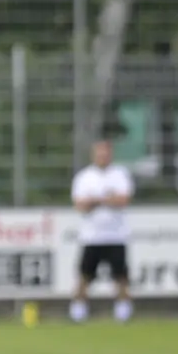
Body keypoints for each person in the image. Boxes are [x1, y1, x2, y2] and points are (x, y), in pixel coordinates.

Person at [70, 137, 134, 322]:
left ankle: (123, 310)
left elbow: (123, 200)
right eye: (100, 152)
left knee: (120, 276)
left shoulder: (120, 174)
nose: (103, 156)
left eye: (106, 152)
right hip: (92, 236)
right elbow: (81, 204)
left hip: (116, 235)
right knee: (84, 275)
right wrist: (106, 199)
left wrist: (97, 200)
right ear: (94, 154)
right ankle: (78, 309)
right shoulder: (84, 177)